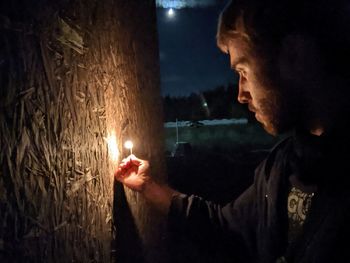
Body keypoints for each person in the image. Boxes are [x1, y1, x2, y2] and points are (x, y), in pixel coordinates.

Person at [115, 0, 350, 262]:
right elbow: (227, 229)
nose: (240, 94)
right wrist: (149, 187)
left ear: (295, 55)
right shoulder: (279, 168)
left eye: (243, 71)